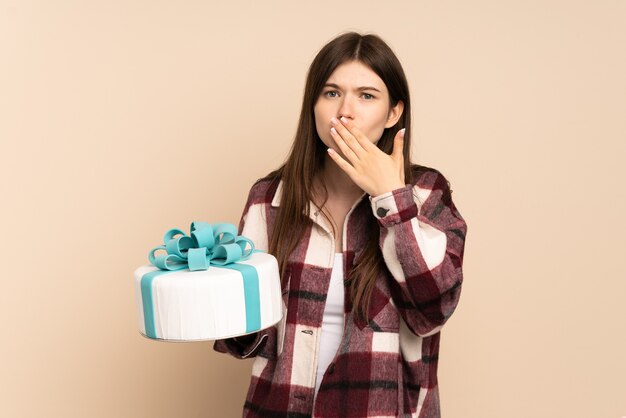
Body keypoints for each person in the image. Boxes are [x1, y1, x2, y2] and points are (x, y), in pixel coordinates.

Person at [214, 31, 468, 418]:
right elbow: (245, 339)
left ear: (393, 113)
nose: (345, 111)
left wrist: (391, 199)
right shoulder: (270, 199)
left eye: (367, 96)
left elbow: (434, 308)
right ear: (312, 106)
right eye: (331, 93)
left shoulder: (426, 194)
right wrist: (213, 290)